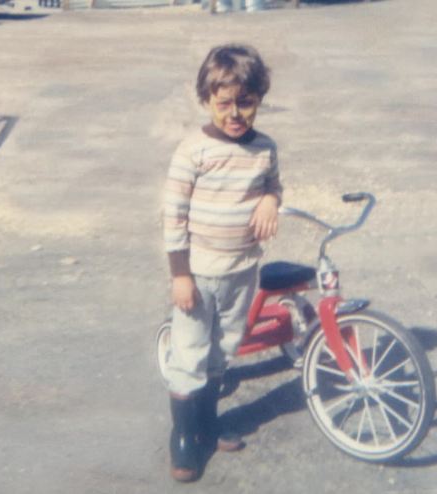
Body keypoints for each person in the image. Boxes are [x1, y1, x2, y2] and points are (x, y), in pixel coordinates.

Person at [161, 43, 282, 482]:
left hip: (242, 271)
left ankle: (207, 426)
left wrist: (270, 200)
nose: (235, 114)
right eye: (224, 103)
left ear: (259, 99)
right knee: (190, 353)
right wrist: (180, 275)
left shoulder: (264, 148)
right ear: (207, 99)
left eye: (245, 103)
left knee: (223, 350)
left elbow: (274, 185)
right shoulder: (193, 151)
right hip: (197, 275)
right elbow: (173, 216)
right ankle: (184, 437)